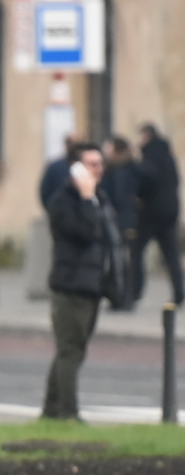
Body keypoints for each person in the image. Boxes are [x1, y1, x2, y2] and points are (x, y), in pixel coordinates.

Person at [42, 142, 121, 420]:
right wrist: (87, 198)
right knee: (70, 351)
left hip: (91, 286)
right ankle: (67, 413)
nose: (98, 170)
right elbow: (86, 232)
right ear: (75, 168)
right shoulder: (65, 202)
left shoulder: (100, 197)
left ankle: (51, 411)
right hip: (70, 285)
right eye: (91, 164)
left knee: (72, 350)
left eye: (100, 164)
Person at [133, 123, 184, 305]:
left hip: (151, 212)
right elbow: (176, 181)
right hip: (170, 211)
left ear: (147, 136)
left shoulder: (150, 156)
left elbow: (146, 180)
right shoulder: (168, 156)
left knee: (136, 250)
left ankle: (134, 291)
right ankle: (179, 292)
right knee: (171, 255)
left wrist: (138, 195)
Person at [99, 136, 138, 310]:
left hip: (119, 220)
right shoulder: (118, 168)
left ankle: (122, 298)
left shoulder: (119, 170)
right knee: (119, 260)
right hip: (120, 219)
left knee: (120, 260)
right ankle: (118, 296)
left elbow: (118, 197)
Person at [39, 134, 79, 211]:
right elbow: (45, 191)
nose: (73, 146)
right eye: (70, 143)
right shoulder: (55, 167)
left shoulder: (85, 165)